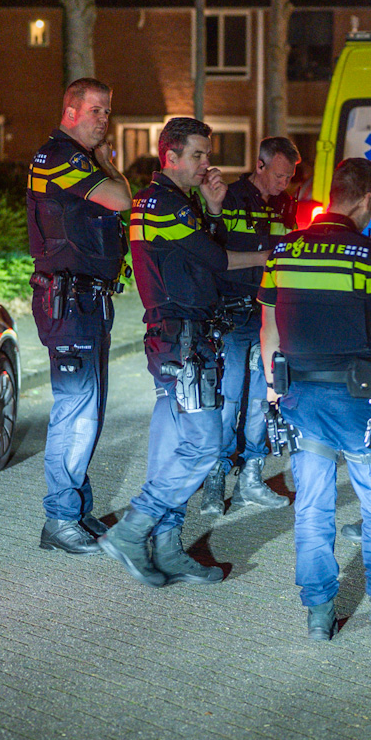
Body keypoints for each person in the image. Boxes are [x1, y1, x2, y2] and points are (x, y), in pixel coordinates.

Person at [260, 155, 371, 640]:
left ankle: (318, 613)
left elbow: (268, 326)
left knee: (312, 506)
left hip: (300, 398)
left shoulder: (284, 252)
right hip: (360, 403)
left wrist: (275, 393)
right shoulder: (368, 256)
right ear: (364, 201)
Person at [99, 117, 268, 587]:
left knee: (173, 447)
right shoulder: (163, 204)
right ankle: (133, 530)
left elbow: (199, 256)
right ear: (170, 156)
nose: (207, 163)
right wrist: (264, 255)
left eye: (207, 154)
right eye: (198, 155)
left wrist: (213, 210)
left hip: (178, 336)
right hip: (184, 339)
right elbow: (215, 262)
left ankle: (169, 548)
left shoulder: (173, 202)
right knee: (204, 446)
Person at [26, 78, 132, 557]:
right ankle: (59, 518)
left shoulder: (83, 161)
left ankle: (76, 508)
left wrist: (108, 166)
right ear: (70, 110)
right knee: (75, 413)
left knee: (89, 412)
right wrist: (110, 167)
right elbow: (121, 199)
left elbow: (117, 193)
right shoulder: (58, 158)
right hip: (68, 303)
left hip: (87, 301)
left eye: (107, 112)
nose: (103, 120)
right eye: (95, 110)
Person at [196, 136, 301, 516]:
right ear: (260, 165)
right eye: (278, 175)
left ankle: (251, 478)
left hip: (268, 316)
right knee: (227, 400)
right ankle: (215, 480)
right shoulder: (228, 197)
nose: (283, 184)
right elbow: (213, 254)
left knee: (261, 398)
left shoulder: (286, 205)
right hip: (231, 315)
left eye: (289, 177)